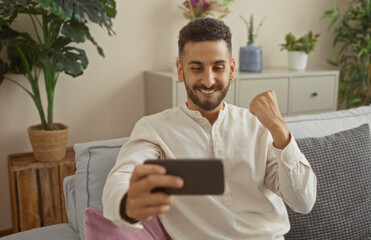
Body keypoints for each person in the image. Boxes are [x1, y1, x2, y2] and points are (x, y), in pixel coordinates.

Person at [102, 17, 317, 239]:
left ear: (232, 69)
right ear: (180, 70)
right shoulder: (154, 129)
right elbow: (122, 178)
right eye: (196, 68)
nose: (208, 80)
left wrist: (280, 129)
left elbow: (303, 202)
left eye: (218, 67)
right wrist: (127, 204)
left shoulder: (259, 126)